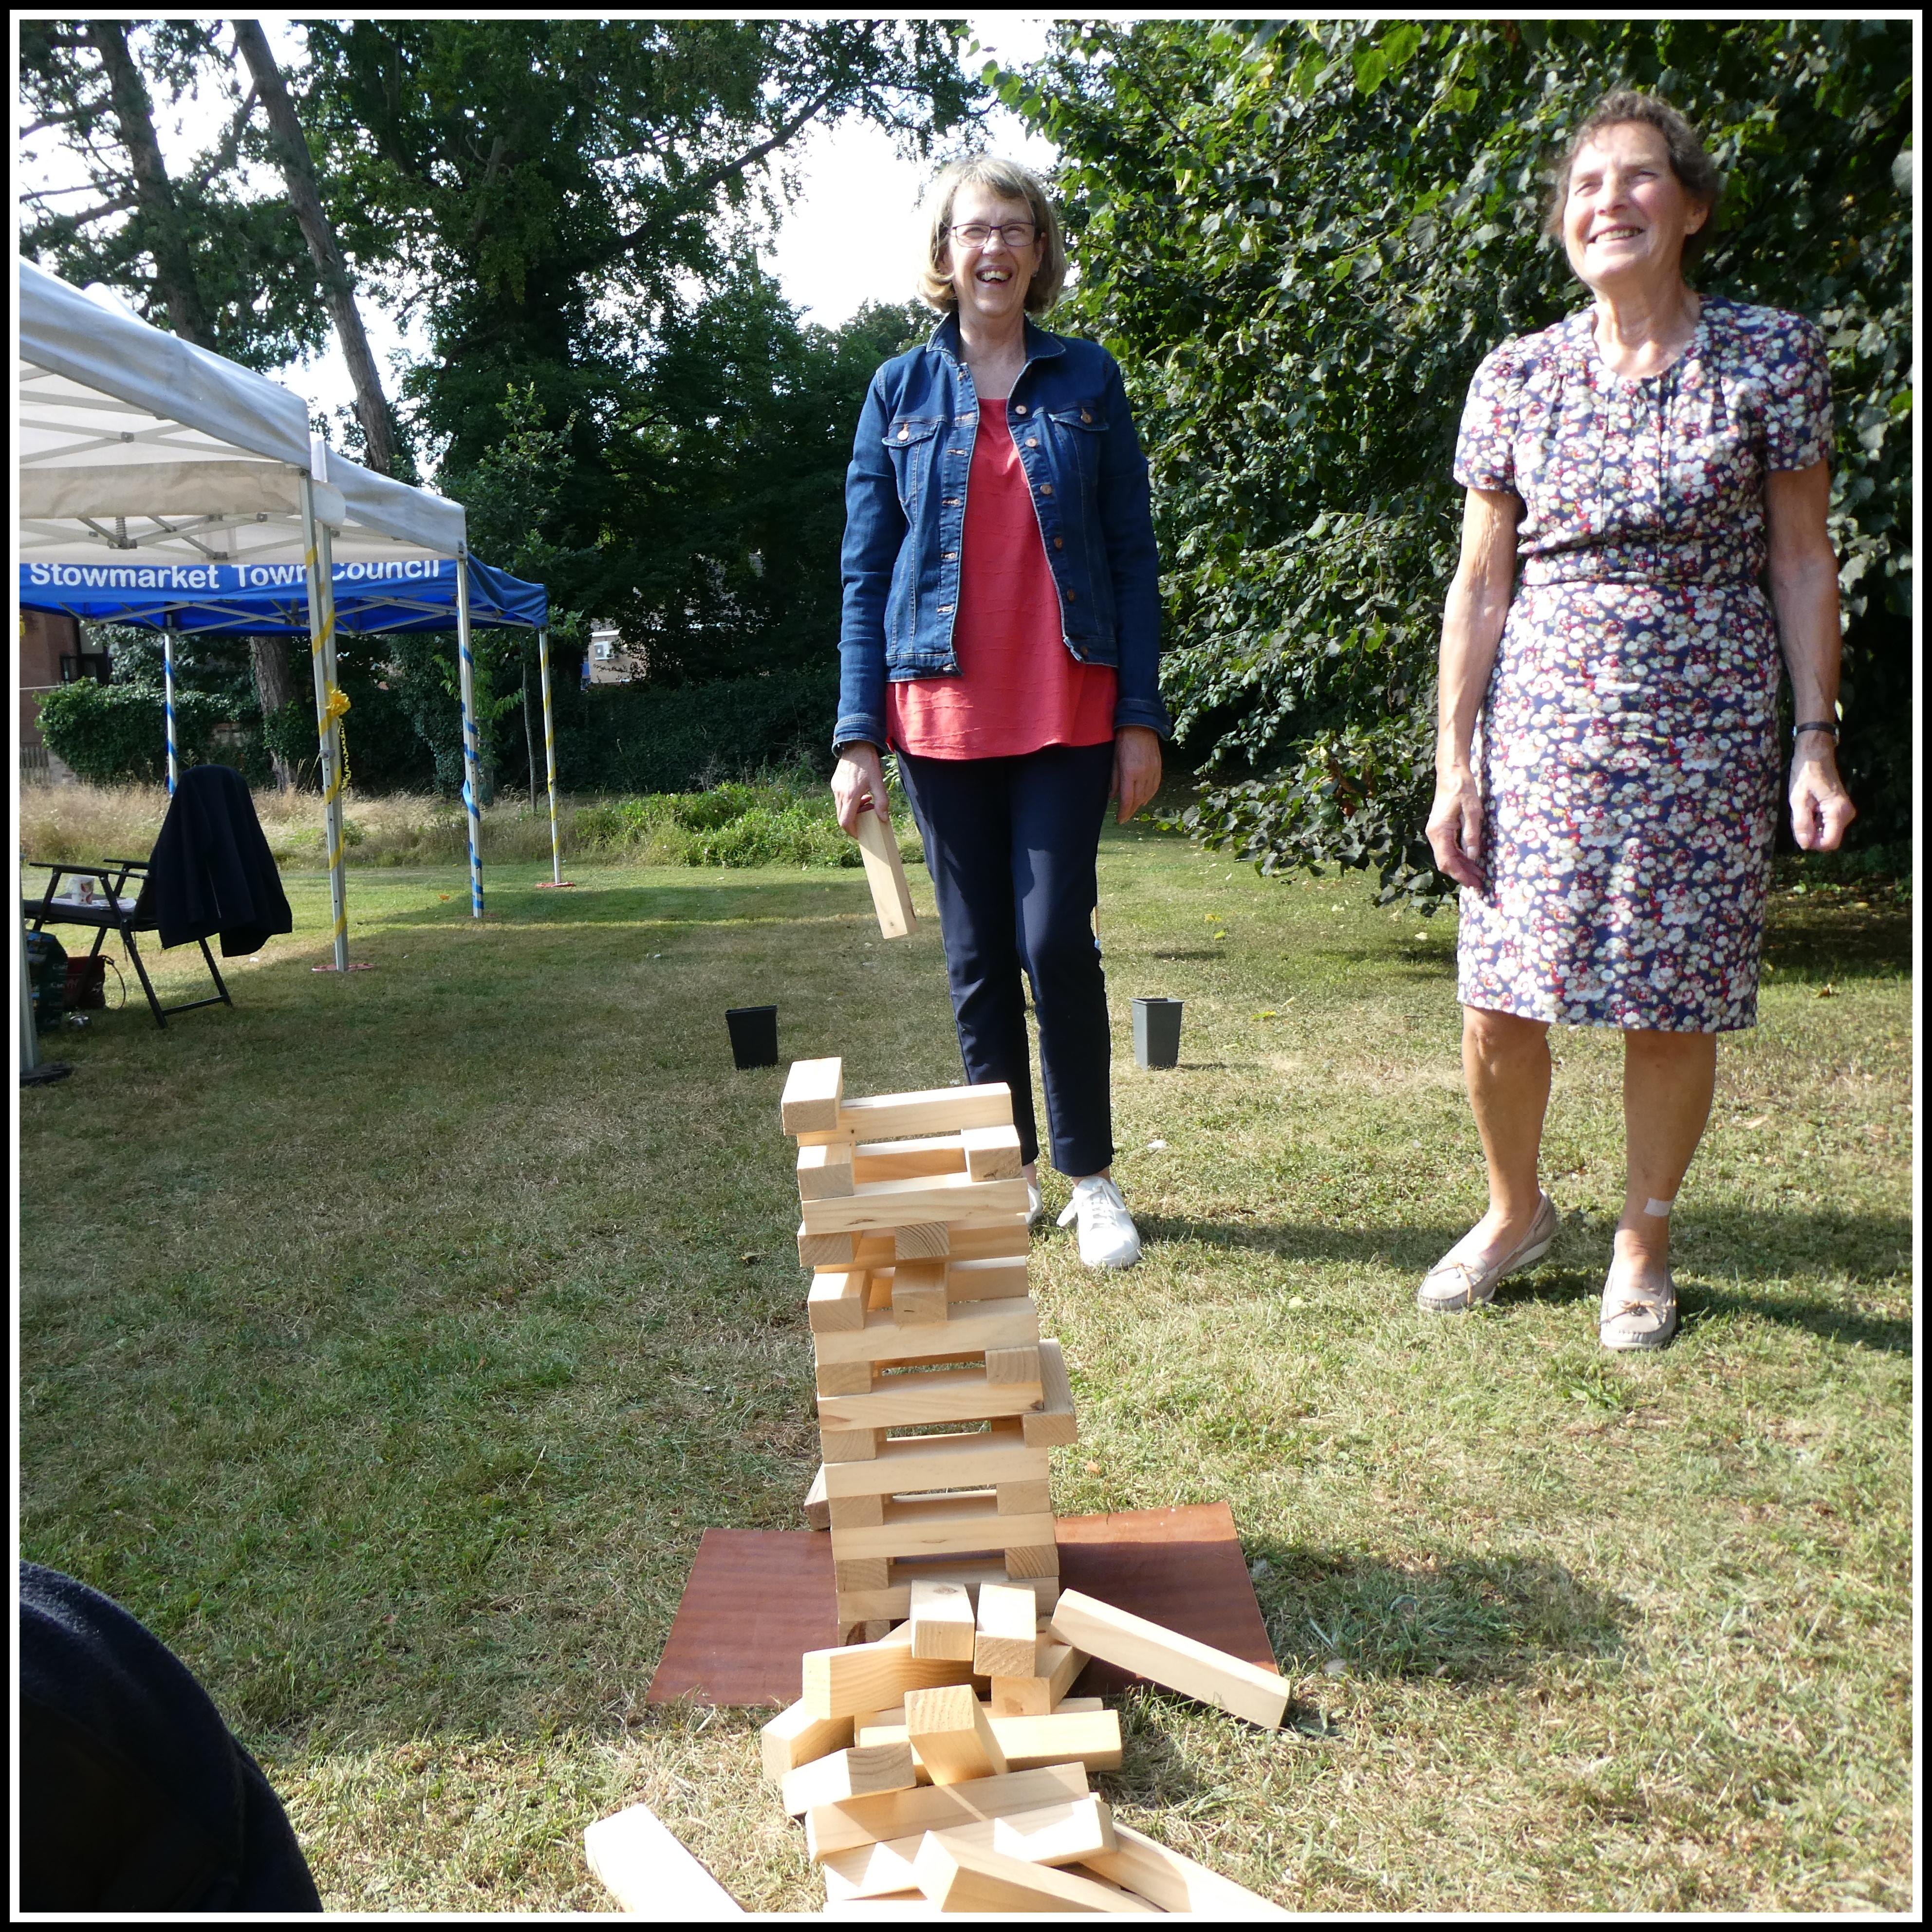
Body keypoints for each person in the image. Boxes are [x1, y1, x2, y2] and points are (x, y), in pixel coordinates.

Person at [1421, 91, 1855, 1349]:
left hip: (1705, 723)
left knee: (1674, 998)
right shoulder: (1517, 374)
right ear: (1564, 221)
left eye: (1638, 177)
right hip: (1540, 727)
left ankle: (1642, 1240)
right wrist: (1454, 760)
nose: (1608, 200)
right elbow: (1481, 584)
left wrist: (1814, 737)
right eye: (1586, 184)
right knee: (1501, 994)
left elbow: (1800, 559)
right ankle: (1515, 1210)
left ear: (1693, 206)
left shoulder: (1771, 357)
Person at [831, 157, 1168, 1268]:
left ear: (1038, 251)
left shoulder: (1089, 379)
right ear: (946, 252)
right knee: (977, 956)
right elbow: (865, 573)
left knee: (1052, 939)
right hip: (939, 716)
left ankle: (1091, 1178)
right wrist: (856, 736)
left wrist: (1139, 716)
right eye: (976, 230)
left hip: (1068, 705)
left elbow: (1130, 555)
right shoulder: (897, 391)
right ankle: (1005, 1170)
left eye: (1016, 229)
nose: (996, 249)